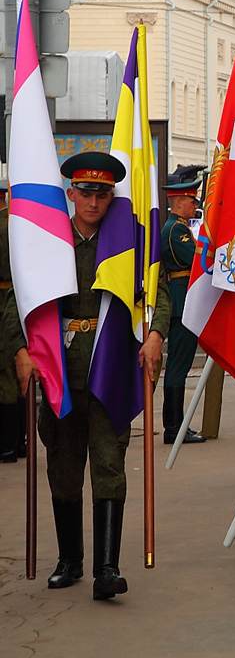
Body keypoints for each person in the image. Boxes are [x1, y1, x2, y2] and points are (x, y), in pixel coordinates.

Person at [6, 152, 168, 600]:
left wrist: (155, 334)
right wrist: (20, 350)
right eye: (84, 192)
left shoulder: (124, 241)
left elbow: (158, 292)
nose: (92, 202)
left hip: (109, 366)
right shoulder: (49, 241)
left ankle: (107, 567)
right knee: (62, 463)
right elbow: (17, 300)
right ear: (70, 193)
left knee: (109, 462)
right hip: (59, 366)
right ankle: (70, 559)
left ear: (111, 195)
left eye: (101, 193)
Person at [160, 165, 207, 445]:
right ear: (178, 202)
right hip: (180, 301)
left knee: (182, 363)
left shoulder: (180, 228)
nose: (195, 205)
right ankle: (173, 428)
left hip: (184, 298)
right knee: (178, 365)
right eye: (192, 201)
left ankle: (176, 426)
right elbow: (196, 258)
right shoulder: (176, 231)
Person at [0, 179, 24, 464]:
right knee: (17, 374)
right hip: (20, 299)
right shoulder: (15, 225)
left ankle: (6, 444)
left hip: (4, 301)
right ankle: (19, 442)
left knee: (5, 373)